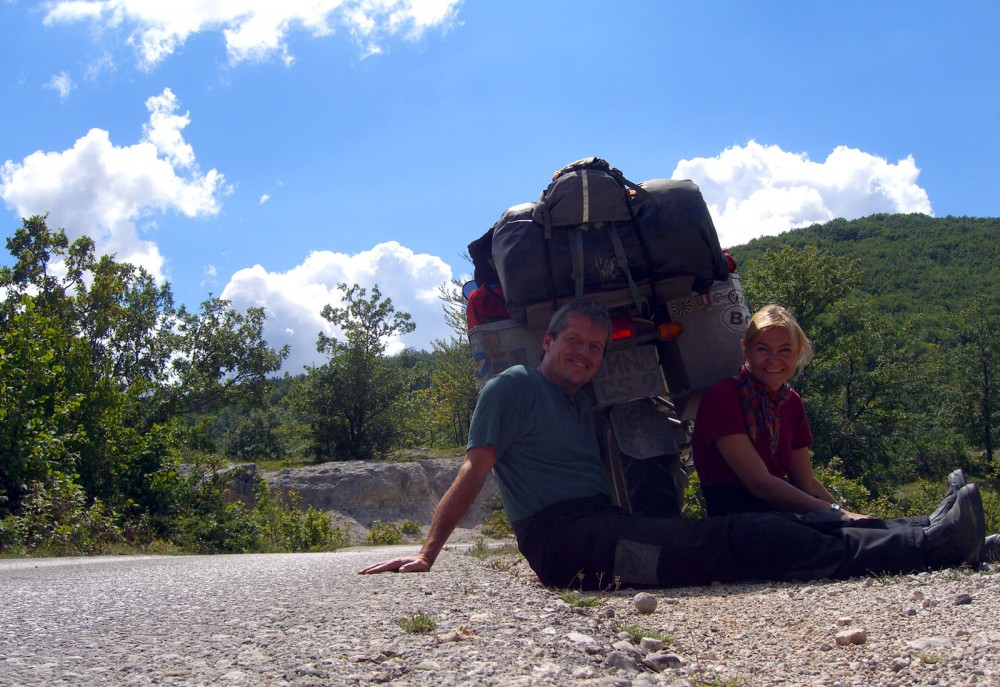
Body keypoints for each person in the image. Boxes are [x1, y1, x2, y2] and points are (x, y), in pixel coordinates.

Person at [360, 299, 987, 589]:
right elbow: (474, 469)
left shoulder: (581, 401)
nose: (583, 354)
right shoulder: (513, 387)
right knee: (738, 538)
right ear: (547, 341)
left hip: (601, 527)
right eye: (572, 341)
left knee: (735, 536)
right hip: (567, 549)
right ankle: (929, 547)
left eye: (595, 348)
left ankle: (933, 532)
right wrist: (427, 553)